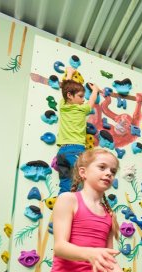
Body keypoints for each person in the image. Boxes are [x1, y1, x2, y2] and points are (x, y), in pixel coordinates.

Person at [41, 148, 142, 272]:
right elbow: (60, 247)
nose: (108, 173)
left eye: (112, 171)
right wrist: (89, 253)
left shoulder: (109, 214)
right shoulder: (68, 200)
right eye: (102, 167)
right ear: (83, 172)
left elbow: (108, 261)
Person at [56, 66, 101, 194]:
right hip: (76, 150)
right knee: (81, 184)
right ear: (70, 96)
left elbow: (65, 89)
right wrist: (95, 90)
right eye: (81, 96)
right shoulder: (82, 109)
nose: (83, 99)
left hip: (62, 152)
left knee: (65, 183)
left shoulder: (63, 106)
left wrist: (69, 73)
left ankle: (62, 207)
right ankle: (76, 210)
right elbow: (92, 101)